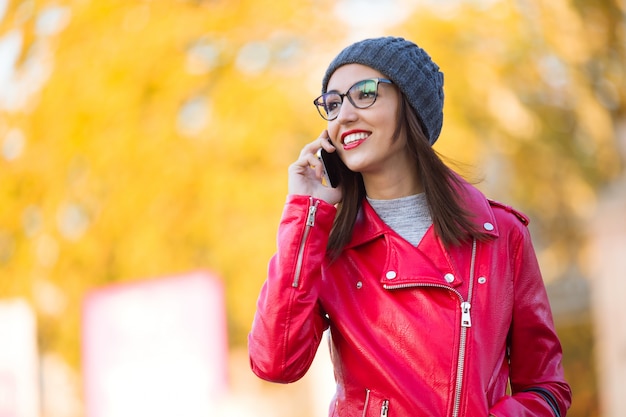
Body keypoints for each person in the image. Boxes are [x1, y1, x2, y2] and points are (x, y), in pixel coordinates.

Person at [248, 36, 572, 417]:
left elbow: (546, 387)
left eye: (364, 93)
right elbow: (275, 363)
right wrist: (305, 212)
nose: (344, 115)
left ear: (411, 104)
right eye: (333, 104)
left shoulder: (499, 234)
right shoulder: (325, 244)